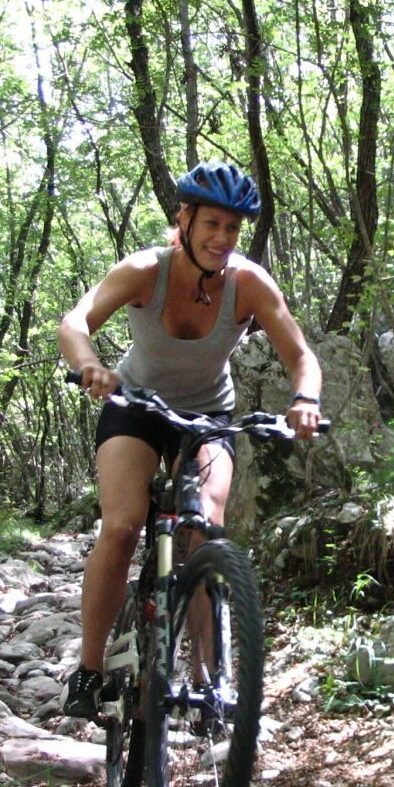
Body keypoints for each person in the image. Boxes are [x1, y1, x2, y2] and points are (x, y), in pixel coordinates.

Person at [57, 160, 322, 719]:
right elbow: (76, 321)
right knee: (124, 524)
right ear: (185, 219)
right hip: (136, 407)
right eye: (212, 225)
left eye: (232, 229)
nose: (222, 239)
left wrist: (306, 400)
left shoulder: (248, 284)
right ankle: (88, 668)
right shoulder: (143, 271)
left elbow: (300, 357)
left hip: (207, 413)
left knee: (204, 531)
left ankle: (209, 679)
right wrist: (89, 366)